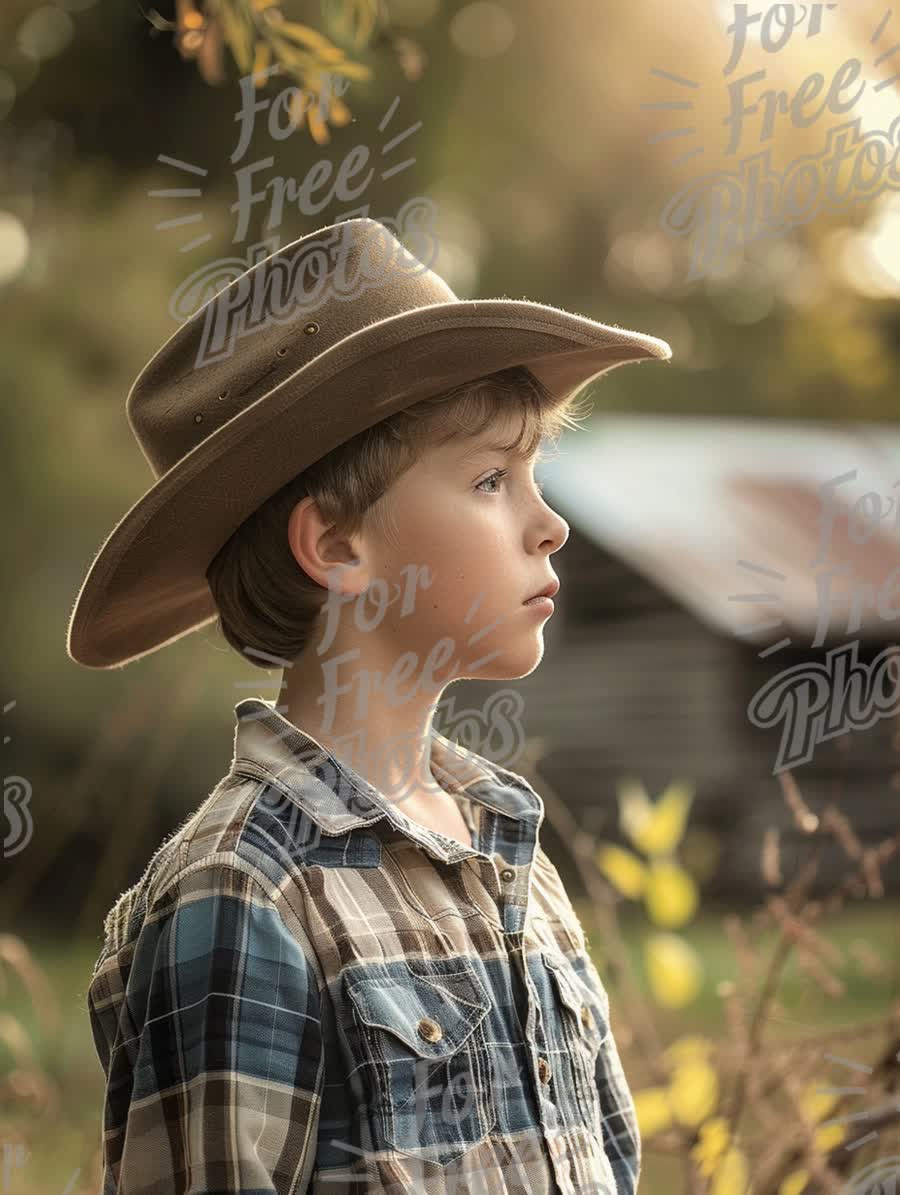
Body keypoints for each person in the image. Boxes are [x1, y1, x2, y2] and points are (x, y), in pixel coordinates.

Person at [68, 217, 672, 1194]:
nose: (549, 524)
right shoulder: (241, 893)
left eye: (533, 476)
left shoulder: (512, 855)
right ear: (338, 545)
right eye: (489, 479)